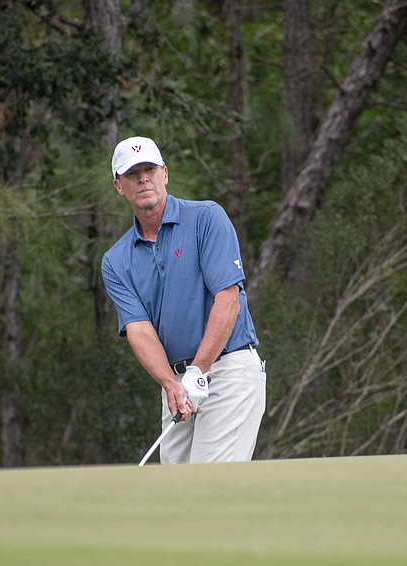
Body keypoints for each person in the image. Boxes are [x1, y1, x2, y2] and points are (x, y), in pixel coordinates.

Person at [101, 135, 266, 464]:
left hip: (227, 370)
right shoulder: (116, 260)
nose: (143, 179)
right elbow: (139, 329)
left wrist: (198, 370)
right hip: (176, 384)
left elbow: (228, 299)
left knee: (208, 488)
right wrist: (169, 382)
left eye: (149, 169)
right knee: (175, 489)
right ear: (119, 185)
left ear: (165, 173)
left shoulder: (206, 218)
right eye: (133, 174)